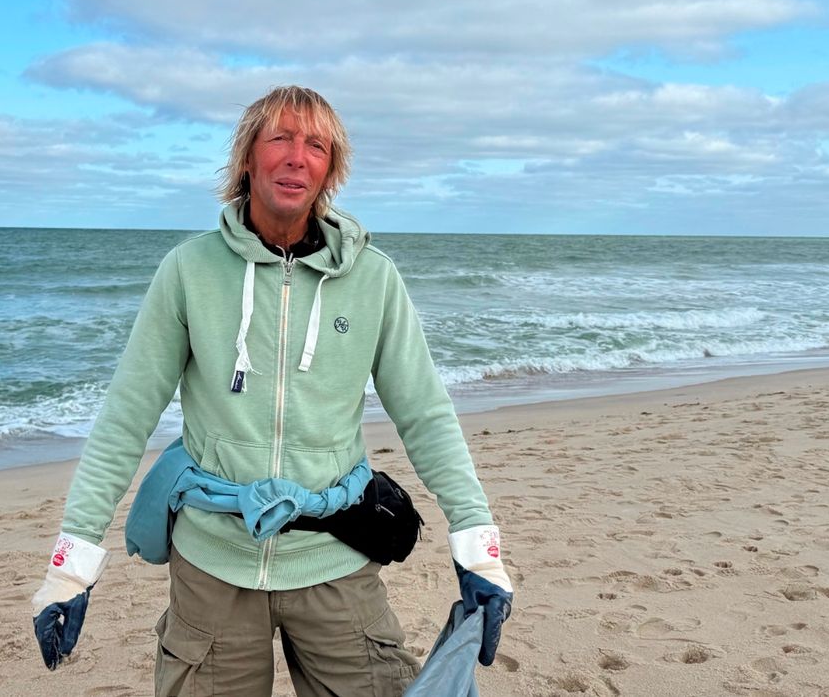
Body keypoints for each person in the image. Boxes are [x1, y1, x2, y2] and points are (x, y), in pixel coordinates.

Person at [30, 85, 513, 696]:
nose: (296, 156)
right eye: (279, 138)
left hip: (335, 557)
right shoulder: (188, 270)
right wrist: (70, 569)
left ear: (330, 169)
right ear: (247, 159)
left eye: (315, 144)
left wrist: (479, 549)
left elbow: (425, 414)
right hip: (213, 565)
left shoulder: (374, 279)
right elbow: (126, 418)